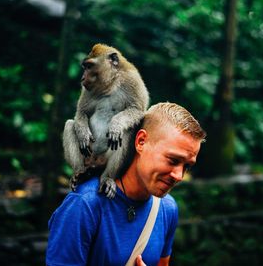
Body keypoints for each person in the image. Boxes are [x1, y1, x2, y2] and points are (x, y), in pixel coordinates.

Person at [46, 102, 206, 266]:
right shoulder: (85, 205)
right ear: (141, 141)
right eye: (173, 160)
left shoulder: (167, 208)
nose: (179, 176)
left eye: (186, 166)